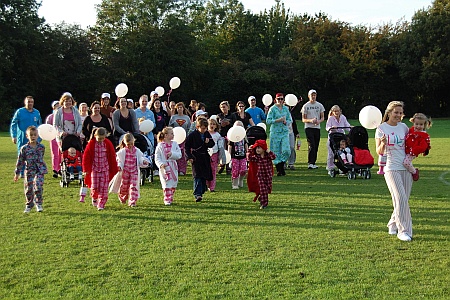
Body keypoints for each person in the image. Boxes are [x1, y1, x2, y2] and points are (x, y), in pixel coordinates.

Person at [375, 101, 413, 242]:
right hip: (391, 168)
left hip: (405, 168)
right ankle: (404, 231)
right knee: (400, 198)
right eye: (395, 112)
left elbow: (411, 144)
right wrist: (384, 143)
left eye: (400, 112)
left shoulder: (403, 127)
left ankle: (392, 224)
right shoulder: (381, 128)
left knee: (403, 200)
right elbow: (379, 151)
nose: (398, 115)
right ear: (389, 113)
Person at [14, 126, 48, 213]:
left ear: (38, 136)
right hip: (29, 171)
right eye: (31, 135)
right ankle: (29, 205)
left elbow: (41, 157)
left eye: (35, 135)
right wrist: (17, 173)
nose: (33, 136)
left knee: (38, 186)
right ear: (27, 136)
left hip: (39, 170)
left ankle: (38, 203)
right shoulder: (24, 148)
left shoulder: (41, 147)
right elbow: (20, 161)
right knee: (29, 188)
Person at [83, 127, 118, 210]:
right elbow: (86, 157)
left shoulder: (107, 144)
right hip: (94, 169)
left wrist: (114, 168)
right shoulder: (91, 144)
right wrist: (86, 170)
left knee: (104, 188)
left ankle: (101, 203)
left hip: (105, 169)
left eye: (103, 138)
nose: (101, 140)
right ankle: (94, 197)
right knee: (95, 186)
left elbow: (112, 156)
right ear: (95, 135)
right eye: (99, 138)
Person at [185, 117, 215, 202]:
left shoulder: (207, 134)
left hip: (205, 156)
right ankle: (197, 194)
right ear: (197, 127)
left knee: (204, 175)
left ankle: (202, 190)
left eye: (205, 128)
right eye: (202, 128)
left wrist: (208, 142)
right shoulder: (192, 135)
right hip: (196, 157)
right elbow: (187, 147)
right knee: (197, 175)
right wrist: (189, 157)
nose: (204, 130)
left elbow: (212, 144)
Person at [115, 133, 149, 207]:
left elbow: (140, 158)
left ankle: (132, 201)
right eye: (128, 144)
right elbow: (119, 160)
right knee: (124, 186)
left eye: (131, 144)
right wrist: (119, 166)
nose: (130, 146)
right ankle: (122, 196)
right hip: (125, 172)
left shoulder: (137, 151)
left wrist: (143, 161)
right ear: (124, 143)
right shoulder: (122, 152)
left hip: (134, 171)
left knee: (134, 186)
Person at [154, 127, 182, 205]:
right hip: (165, 167)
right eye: (171, 133)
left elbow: (179, 154)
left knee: (173, 183)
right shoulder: (160, 145)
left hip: (173, 166)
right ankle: (167, 199)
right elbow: (157, 157)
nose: (173, 135)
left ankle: (171, 195)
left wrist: (172, 154)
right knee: (166, 183)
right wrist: (160, 164)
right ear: (165, 135)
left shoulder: (175, 144)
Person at [266, 93, 292, 176]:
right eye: (278, 99)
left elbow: (290, 120)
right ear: (275, 100)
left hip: (284, 132)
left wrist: (286, 122)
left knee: (286, 150)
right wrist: (278, 120)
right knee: (276, 151)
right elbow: (268, 121)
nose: (280, 101)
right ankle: (279, 169)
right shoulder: (272, 109)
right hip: (275, 132)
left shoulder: (286, 109)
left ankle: (282, 164)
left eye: (281, 99)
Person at [246, 139, 276, 209]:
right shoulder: (256, 157)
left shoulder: (267, 156)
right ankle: (264, 203)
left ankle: (261, 197)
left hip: (268, 175)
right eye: (256, 148)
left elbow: (273, 157)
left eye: (259, 148)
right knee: (263, 189)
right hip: (260, 176)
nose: (257, 150)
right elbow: (249, 158)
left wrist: (269, 151)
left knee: (267, 188)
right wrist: (250, 150)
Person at [403, 113, 432, 181]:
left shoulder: (423, 135)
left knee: (406, 162)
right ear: (413, 123)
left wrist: (414, 150)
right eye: (416, 124)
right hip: (406, 149)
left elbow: (423, 147)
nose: (418, 126)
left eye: (421, 124)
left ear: (424, 125)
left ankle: (414, 172)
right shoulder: (411, 130)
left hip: (412, 152)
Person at [301, 89, 325, 169]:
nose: (313, 97)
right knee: (312, 145)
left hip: (317, 128)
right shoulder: (306, 106)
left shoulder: (320, 105)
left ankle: (314, 162)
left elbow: (322, 117)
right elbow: (303, 119)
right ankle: (310, 163)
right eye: (312, 95)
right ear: (309, 96)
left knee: (316, 145)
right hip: (309, 127)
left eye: (314, 95)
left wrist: (318, 121)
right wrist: (310, 120)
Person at [325, 105, 351, 175]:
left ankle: (343, 167)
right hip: (333, 137)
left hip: (341, 137)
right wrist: (332, 128)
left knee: (343, 152)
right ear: (332, 112)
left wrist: (351, 128)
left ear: (340, 111)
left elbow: (346, 125)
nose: (336, 112)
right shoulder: (330, 119)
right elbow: (327, 127)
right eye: (335, 111)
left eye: (338, 111)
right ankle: (330, 167)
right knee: (331, 153)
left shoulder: (343, 117)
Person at [168, 102, 191, 175]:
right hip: (175, 139)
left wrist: (187, 137)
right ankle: (175, 169)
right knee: (175, 153)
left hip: (184, 138)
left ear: (183, 108)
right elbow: (170, 127)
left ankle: (182, 170)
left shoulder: (187, 118)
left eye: (181, 107)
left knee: (183, 154)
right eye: (178, 107)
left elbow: (189, 128)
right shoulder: (173, 117)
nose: (179, 109)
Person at [217, 101, 236, 175]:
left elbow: (235, 125)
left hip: (230, 136)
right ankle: (222, 166)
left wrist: (229, 123)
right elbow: (216, 125)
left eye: (224, 107)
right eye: (221, 107)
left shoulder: (232, 115)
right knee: (222, 151)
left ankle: (229, 167)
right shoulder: (219, 116)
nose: (223, 108)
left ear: (228, 107)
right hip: (221, 135)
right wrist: (221, 125)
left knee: (230, 151)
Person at [228, 121, 248, 189]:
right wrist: (229, 156)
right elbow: (230, 147)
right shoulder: (232, 139)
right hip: (234, 157)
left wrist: (248, 153)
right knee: (235, 171)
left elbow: (246, 146)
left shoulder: (244, 138)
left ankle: (241, 180)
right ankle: (235, 184)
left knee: (244, 170)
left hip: (243, 157)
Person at [206, 118, 225, 192]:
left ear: (216, 126)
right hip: (206, 154)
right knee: (206, 170)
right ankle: (206, 185)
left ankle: (212, 187)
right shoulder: (205, 134)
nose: (212, 125)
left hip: (214, 154)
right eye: (210, 124)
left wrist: (221, 157)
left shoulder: (217, 135)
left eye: (214, 124)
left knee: (213, 170)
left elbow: (220, 146)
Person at [45, 100, 61, 178]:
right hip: (53, 137)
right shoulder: (50, 117)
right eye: (56, 105)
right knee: (55, 154)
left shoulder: (62, 116)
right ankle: (55, 169)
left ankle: (61, 168)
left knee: (61, 153)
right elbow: (47, 127)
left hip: (61, 137)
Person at [287, 105, 300, 170]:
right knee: (283, 149)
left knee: (292, 147)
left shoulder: (290, 114)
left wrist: (296, 132)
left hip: (291, 133)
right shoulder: (280, 114)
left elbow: (293, 123)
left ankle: (291, 163)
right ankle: (283, 163)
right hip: (283, 133)